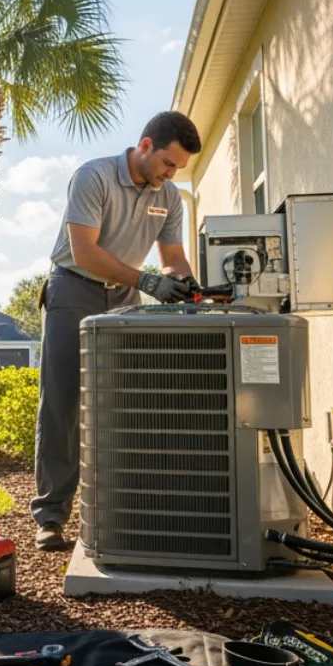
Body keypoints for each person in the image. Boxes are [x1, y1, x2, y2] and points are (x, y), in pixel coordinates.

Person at [32, 110, 202, 550]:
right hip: (74, 287)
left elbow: (172, 257)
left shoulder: (170, 196)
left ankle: (122, 507)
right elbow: (84, 253)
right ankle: (51, 516)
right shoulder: (94, 177)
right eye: (168, 164)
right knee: (63, 402)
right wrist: (147, 281)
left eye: (178, 170)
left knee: (124, 403)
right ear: (145, 146)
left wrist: (185, 284)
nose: (170, 175)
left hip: (123, 296)